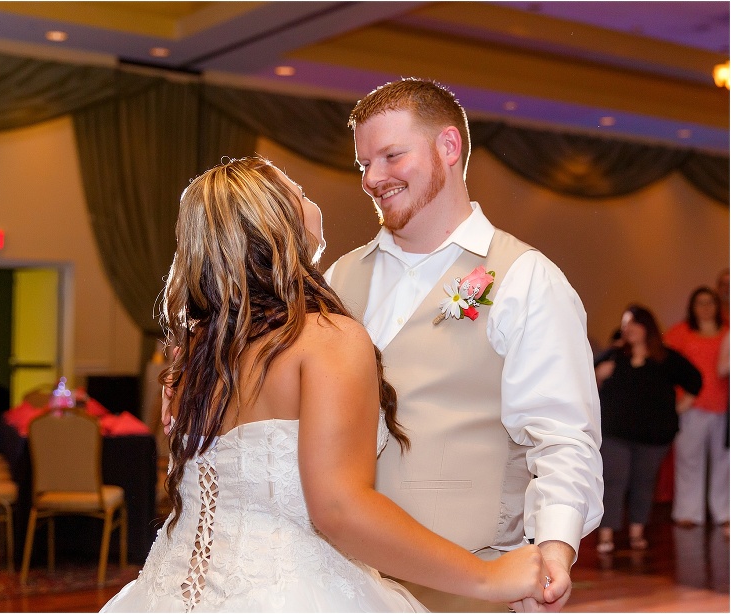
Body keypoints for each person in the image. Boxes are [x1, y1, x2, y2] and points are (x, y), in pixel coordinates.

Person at [104, 157, 553, 612]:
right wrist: (487, 577)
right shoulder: (324, 340)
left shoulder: (194, 355)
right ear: (278, 223)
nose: (309, 197)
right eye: (298, 192)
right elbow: (339, 509)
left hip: (170, 592)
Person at [324, 78, 603, 612]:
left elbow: (563, 435)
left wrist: (554, 549)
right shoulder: (339, 277)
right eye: (364, 164)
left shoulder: (525, 277)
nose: (373, 178)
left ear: (448, 148)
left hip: (468, 586)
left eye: (391, 155)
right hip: (346, 582)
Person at [594, 305, 701, 554]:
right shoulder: (614, 356)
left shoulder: (666, 358)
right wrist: (599, 375)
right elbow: (585, 382)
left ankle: (636, 534)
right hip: (615, 432)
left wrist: (679, 408)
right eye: (625, 323)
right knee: (614, 480)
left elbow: (695, 379)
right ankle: (606, 535)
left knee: (643, 482)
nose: (627, 328)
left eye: (633, 323)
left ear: (647, 327)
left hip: (654, 436)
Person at [664, 286, 730, 529]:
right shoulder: (681, 332)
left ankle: (724, 512)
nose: (705, 308)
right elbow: (664, 360)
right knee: (688, 461)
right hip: (691, 405)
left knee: (724, 463)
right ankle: (688, 513)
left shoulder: (727, 332)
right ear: (692, 306)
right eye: (700, 303)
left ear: (717, 306)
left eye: (710, 302)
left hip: (722, 406)